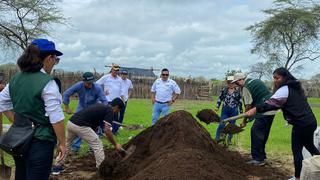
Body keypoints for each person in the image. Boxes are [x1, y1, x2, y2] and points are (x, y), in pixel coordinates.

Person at [0, 38, 66, 180]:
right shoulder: (48, 83)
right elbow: (56, 117)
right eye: (56, 59)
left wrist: (17, 121)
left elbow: (2, 102)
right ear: (49, 58)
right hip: (40, 142)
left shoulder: (15, 79)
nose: (55, 63)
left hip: (19, 141)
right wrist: (62, 143)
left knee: (21, 175)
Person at [246, 67, 320, 180]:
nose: (275, 80)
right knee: (309, 145)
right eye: (274, 78)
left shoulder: (284, 89)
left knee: (297, 151)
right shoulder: (296, 87)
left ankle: (298, 177)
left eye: (277, 78)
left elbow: (270, 104)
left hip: (301, 124)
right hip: (310, 122)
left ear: (285, 77)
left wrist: (255, 109)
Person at [52, 98, 124, 175]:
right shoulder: (110, 110)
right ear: (116, 107)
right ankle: (102, 169)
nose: (117, 112)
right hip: (81, 125)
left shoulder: (102, 107)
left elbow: (94, 120)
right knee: (97, 144)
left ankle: (57, 167)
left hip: (71, 123)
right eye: (119, 110)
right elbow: (107, 130)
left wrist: (95, 130)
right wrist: (115, 144)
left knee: (67, 144)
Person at [232, 72, 276, 166]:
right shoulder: (255, 80)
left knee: (255, 132)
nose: (236, 85)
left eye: (236, 82)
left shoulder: (245, 87)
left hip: (264, 110)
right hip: (272, 108)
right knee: (263, 133)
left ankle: (257, 159)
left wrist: (244, 121)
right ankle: (262, 156)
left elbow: (248, 106)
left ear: (241, 80)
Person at [63, 72, 108, 152]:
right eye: (88, 83)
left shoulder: (97, 87)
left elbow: (104, 101)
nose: (90, 85)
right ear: (83, 81)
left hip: (93, 109)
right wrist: (67, 107)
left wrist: (103, 113)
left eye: (91, 83)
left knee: (94, 129)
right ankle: (75, 148)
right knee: (78, 126)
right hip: (82, 108)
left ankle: (92, 149)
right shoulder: (78, 85)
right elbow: (66, 94)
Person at [96, 64, 125, 135]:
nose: (116, 72)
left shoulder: (120, 79)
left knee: (115, 117)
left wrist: (123, 100)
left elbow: (122, 91)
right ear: (111, 70)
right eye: (115, 70)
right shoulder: (106, 77)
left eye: (117, 70)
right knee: (104, 117)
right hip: (107, 101)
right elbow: (96, 84)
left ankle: (114, 131)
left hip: (116, 102)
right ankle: (102, 131)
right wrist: (102, 92)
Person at [215, 76, 243, 145]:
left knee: (232, 126)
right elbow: (220, 99)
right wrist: (217, 107)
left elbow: (240, 102)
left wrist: (241, 112)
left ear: (234, 83)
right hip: (225, 110)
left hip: (234, 110)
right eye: (229, 82)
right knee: (221, 124)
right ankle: (217, 139)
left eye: (232, 82)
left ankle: (229, 140)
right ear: (227, 83)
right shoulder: (224, 90)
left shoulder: (238, 92)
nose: (230, 84)